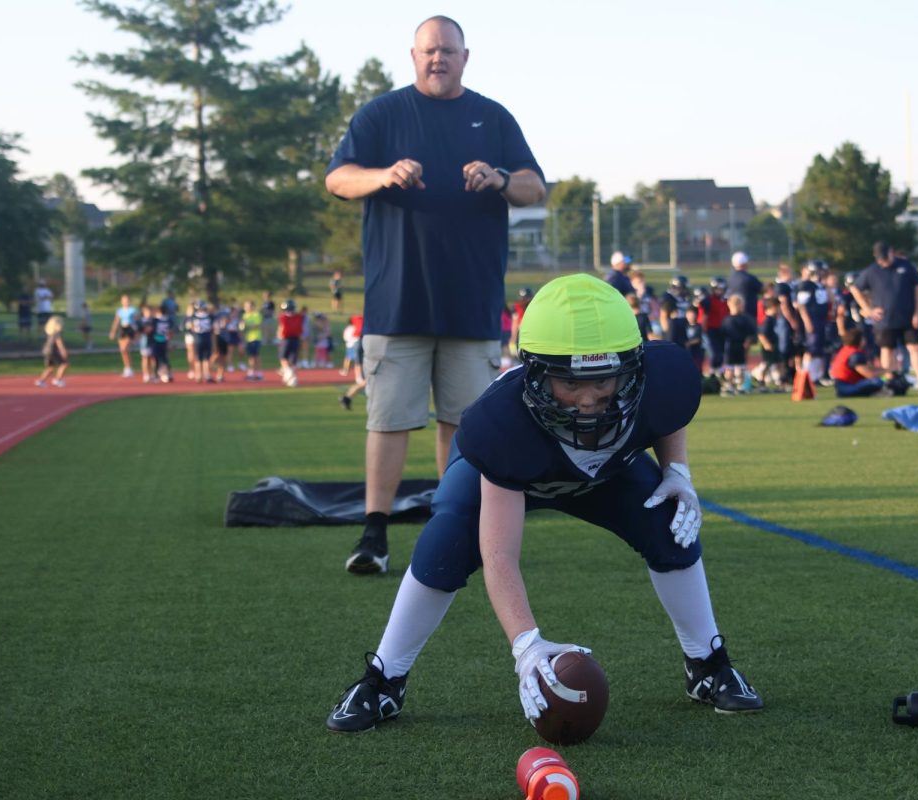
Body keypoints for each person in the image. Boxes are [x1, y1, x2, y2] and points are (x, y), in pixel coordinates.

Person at [324, 274, 764, 734]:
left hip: (607, 473)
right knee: (448, 539)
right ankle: (384, 679)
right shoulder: (502, 424)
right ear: (535, 373)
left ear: (632, 369)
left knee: (670, 520)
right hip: (517, 471)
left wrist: (677, 472)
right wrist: (527, 646)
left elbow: (667, 409)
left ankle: (707, 665)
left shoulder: (659, 377)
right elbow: (499, 555)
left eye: (604, 380)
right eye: (570, 383)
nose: (590, 401)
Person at [325, 15, 546, 575]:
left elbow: (534, 185)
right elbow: (337, 179)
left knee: (464, 423)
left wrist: (498, 178)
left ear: (465, 56)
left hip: (470, 300)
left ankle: (452, 529)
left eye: (447, 50)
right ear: (413, 55)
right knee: (389, 419)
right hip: (397, 300)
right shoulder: (382, 113)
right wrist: (383, 175)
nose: (438, 59)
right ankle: (374, 534)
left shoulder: (492, 116)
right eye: (429, 51)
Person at [850, 242, 918, 396]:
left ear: (891, 253)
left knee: (915, 348)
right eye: (880, 258)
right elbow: (855, 288)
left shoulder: (906, 267)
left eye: (885, 257)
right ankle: (891, 383)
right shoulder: (872, 271)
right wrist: (868, 309)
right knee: (888, 350)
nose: (883, 261)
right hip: (886, 319)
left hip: (908, 316)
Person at [830, 328, 889, 398]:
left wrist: (886, 370)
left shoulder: (846, 350)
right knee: (878, 382)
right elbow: (869, 375)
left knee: (879, 380)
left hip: (842, 386)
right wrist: (886, 374)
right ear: (859, 340)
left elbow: (870, 368)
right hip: (847, 387)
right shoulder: (855, 355)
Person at [719, 294, 757, 395]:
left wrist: (748, 342)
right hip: (730, 346)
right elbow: (723, 334)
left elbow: (750, 333)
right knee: (729, 368)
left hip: (741, 346)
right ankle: (729, 385)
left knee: (740, 367)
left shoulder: (744, 319)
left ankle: (740, 386)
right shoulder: (727, 320)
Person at [35, 315, 70, 387]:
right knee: (64, 364)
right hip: (52, 350)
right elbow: (59, 342)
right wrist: (63, 350)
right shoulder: (57, 332)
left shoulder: (50, 333)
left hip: (46, 350)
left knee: (50, 367)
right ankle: (58, 379)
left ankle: (41, 381)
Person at [109, 294, 138, 377]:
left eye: (127, 300)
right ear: (122, 301)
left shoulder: (133, 310)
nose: (126, 302)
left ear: (130, 301)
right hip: (123, 329)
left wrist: (136, 333)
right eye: (124, 300)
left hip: (130, 329)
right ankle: (127, 368)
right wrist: (113, 331)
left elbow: (137, 321)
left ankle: (129, 368)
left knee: (125, 348)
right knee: (123, 351)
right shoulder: (120, 310)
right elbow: (116, 321)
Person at [277, 299, 304, 387]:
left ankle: (288, 373)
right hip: (296, 339)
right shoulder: (299, 317)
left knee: (283, 358)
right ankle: (293, 379)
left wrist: (279, 337)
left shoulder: (283, 317)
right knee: (293, 360)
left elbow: (281, 328)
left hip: (286, 339)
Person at [240, 300, 264, 380]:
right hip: (248, 338)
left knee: (255, 356)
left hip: (255, 338)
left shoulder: (256, 314)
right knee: (251, 356)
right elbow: (242, 328)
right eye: (245, 306)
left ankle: (256, 373)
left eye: (249, 306)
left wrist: (246, 325)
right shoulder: (245, 315)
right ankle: (254, 373)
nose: (247, 308)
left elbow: (256, 325)